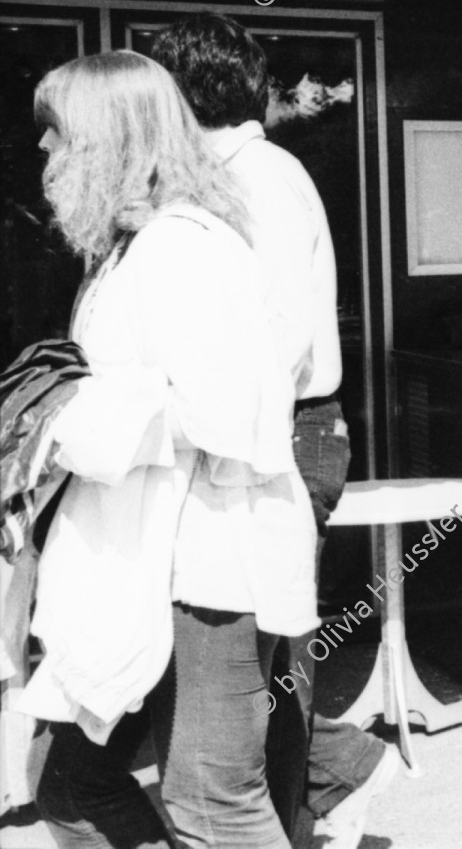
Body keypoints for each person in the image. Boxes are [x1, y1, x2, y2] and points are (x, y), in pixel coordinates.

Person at [24, 51, 315, 847]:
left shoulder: (183, 248)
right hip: (137, 561)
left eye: (55, 136)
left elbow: (227, 415)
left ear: (109, 142)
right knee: (68, 781)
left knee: (213, 801)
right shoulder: (130, 249)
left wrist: (66, 420)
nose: (42, 155)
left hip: (208, 569)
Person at [152, 14, 400, 848]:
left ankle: (317, 791)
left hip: (284, 432)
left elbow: (281, 336)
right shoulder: (243, 174)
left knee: (258, 649)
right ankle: (325, 787)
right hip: (282, 429)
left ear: (183, 98)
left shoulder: (256, 180)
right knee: (260, 649)